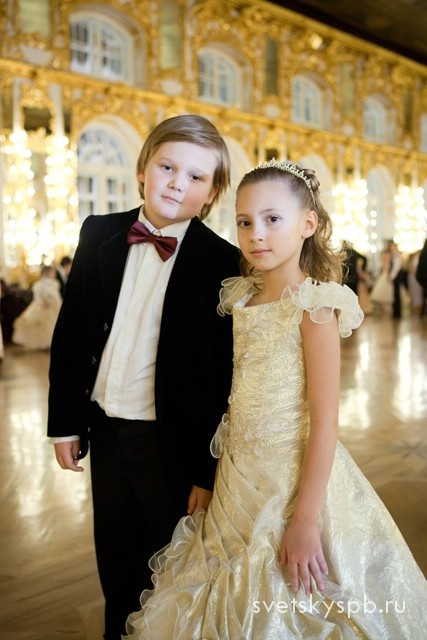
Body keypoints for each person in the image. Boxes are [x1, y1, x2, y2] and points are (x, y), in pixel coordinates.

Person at [125, 159, 427, 639]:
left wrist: (305, 520)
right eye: (245, 222)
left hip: (291, 481)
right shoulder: (240, 298)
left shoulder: (314, 306)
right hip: (236, 478)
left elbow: (325, 423)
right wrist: (210, 475)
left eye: (272, 219)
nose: (256, 234)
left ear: (308, 224)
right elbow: (229, 397)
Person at [47, 115, 241, 640]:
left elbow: (220, 380)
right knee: (115, 563)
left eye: (196, 177)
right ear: (142, 170)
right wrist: (65, 423)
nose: (178, 183)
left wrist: (206, 472)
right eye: (167, 167)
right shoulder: (98, 232)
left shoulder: (223, 262)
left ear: (212, 193)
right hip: (105, 432)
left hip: (170, 445)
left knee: (169, 569)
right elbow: (71, 333)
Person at [12, 264, 62, 350]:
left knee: (53, 325)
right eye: (52, 272)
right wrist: (43, 303)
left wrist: (59, 304)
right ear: (47, 272)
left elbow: (57, 296)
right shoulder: (39, 284)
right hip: (43, 306)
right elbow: (37, 296)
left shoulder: (55, 283)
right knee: (43, 326)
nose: (53, 274)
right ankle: (45, 343)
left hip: (53, 306)